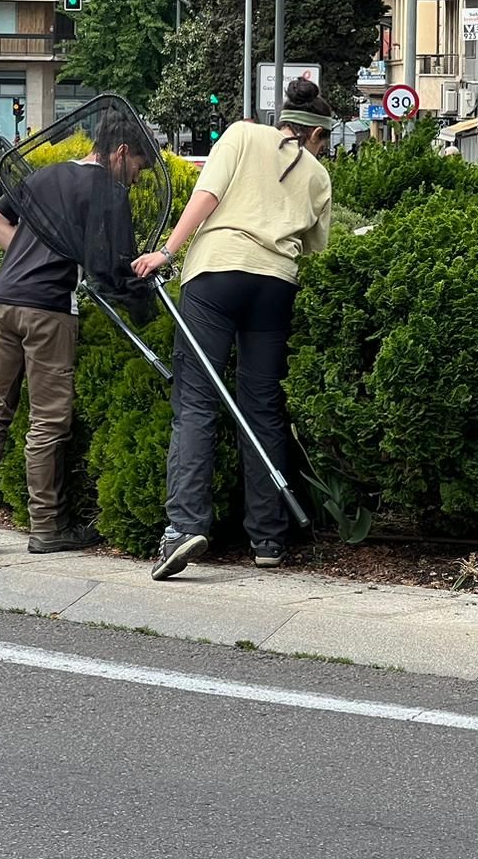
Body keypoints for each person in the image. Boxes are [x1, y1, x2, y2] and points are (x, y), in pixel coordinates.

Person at [134, 78, 334, 579]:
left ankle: (185, 527)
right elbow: (315, 247)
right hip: (275, 286)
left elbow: (206, 196)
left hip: (217, 273)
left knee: (197, 400)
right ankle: (268, 537)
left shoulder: (242, 135)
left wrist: (167, 251)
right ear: (315, 134)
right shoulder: (318, 173)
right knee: (262, 406)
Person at [0, 113, 152, 556]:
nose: (137, 179)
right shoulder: (108, 191)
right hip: (49, 312)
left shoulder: (43, 175)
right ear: (120, 153)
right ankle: (47, 528)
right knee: (48, 422)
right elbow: (116, 271)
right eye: (138, 166)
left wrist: (29, 257)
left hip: (2, 301)